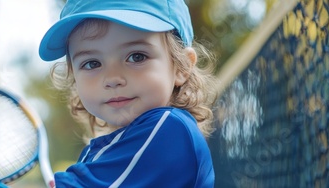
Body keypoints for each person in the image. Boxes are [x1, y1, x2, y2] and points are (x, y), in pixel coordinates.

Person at [39, 0, 218, 187]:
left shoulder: (169, 128)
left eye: (136, 56)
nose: (113, 78)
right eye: (92, 63)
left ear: (182, 67)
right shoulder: (113, 149)